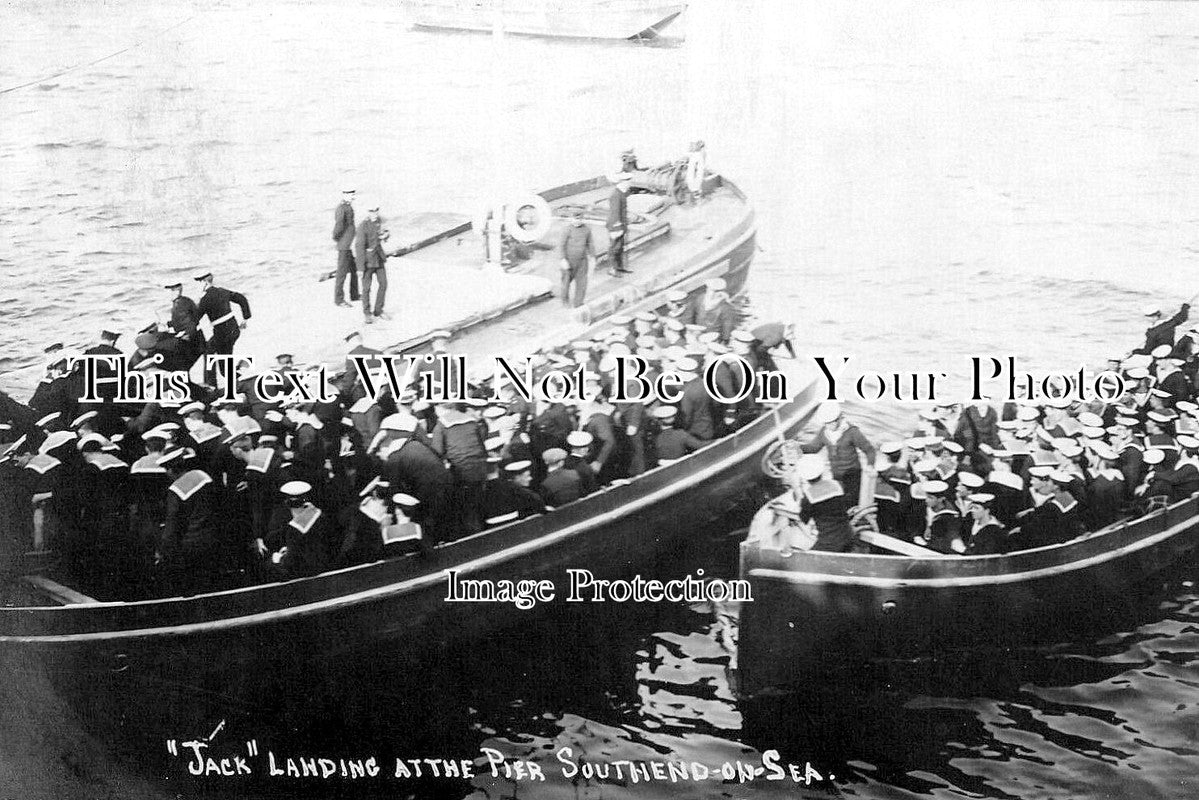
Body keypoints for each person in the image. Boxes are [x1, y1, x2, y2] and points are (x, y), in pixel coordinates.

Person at [801, 402, 876, 505]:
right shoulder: (824, 433)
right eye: (827, 423)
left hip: (853, 474)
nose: (830, 426)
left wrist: (870, 465)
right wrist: (798, 447)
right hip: (836, 475)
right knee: (839, 501)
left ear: (839, 418)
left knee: (852, 502)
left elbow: (870, 450)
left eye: (832, 422)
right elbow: (813, 448)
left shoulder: (852, 432)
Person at [194, 272, 251, 378]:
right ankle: (240, 372)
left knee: (218, 363)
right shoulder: (222, 291)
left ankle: (212, 387)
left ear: (204, 282)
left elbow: (196, 318)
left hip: (222, 334)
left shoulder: (204, 299)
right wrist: (245, 318)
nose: (197, 285)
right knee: (219, 356)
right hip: (233, 330)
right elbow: (241, 299)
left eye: (198, 282)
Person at [355, 203, 391, 324]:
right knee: (366, 288)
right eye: (371, 211)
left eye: (376, 210)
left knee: (383, 284)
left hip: (379, 258)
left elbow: (384, 234)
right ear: (367, 212)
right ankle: (367, 313)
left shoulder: (380, 221)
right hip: (367, 262)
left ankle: (378, 310)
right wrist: (360, 268)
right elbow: (359, 247)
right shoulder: (362, 226)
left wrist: (386, 236)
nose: (374, 213)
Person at [559, 207, 595, 307]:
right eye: (575, 219)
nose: (577, 221)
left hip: (582, 261)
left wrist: (593, 256)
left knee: (582, 283)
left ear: (582, 219)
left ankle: (578, 303)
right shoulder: (567, 230)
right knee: (566, 282)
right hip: (568, 260)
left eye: (579, 219)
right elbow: (562, 245)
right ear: (571, 219)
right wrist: (563, 259)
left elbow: (590, 244)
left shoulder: (587, 229)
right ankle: (565, 301)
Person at [332, 188, 359, 307]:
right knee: (341, 273)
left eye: (353, 194)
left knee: (354, 269)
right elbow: (338, 226)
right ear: (344, 194)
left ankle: (354, 294)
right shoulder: (342, 208)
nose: (353, 197)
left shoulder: (347, 206)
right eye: (351, 195)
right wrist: (337, 239)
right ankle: (339, 300)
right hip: (344, 245)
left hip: (348, 245)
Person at [605, 177, 632, 276]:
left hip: (621, 226)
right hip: (616, 227)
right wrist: (617, 228)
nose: (630, 183)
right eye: (628, 181)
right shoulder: (616, 195)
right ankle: (612, 269)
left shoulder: (621, 193)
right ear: (622, 182)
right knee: (614, 248)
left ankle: (619, 267)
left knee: (620, 247)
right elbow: (615, 213)